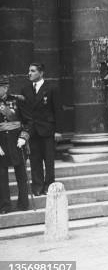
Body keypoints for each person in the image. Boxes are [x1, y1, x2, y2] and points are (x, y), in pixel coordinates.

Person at [19, 63, 62, 196]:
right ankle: (37, 186)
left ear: (41, 73)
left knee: (48, 161)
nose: (29, 73)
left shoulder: (51, 88)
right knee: (35, 160)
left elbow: (58, 110)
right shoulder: (25, 90)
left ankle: (49, 185)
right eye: (29, 71)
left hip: (47, 130)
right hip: (33, 131)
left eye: (32, 71)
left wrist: (58, 131)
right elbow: (23, 112)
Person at [0, 75, 30, 213]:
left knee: (21, 174)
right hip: (1, 143)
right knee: (1, 176)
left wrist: (23, 137)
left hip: (16, 140)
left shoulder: (18, 100)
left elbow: (28, 121)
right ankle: (5, 206)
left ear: (5, 88)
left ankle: (23, 203)